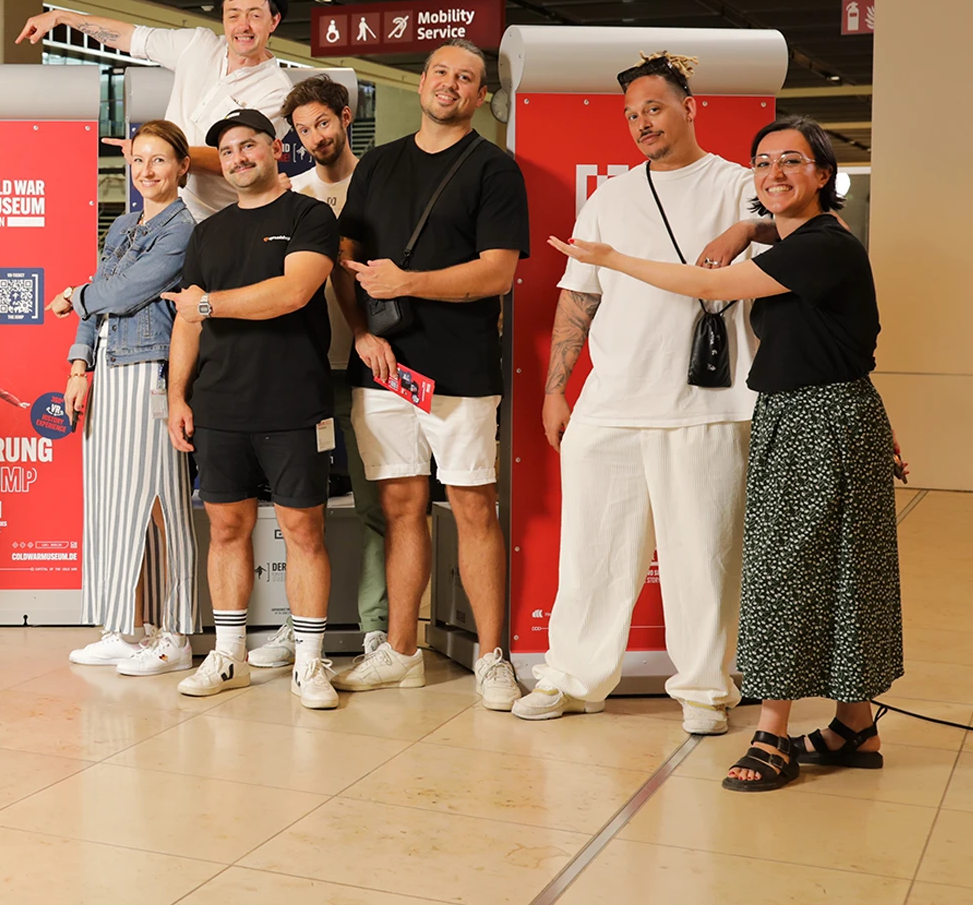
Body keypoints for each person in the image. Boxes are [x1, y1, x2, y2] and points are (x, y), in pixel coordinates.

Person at [550, 117, 900, 793]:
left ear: (824, 174)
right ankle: (855, 726)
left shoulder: (823, 245)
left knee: (781, 576)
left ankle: (771, 733)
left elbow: (712, 288)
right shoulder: (804, 240)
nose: (773, 174)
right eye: (762, 162)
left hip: (817, 420)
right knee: (840, 572)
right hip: (814, 414)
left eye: (792, 161)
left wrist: (612, 259)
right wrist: (746, 227)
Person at [516, 53, 757, 736]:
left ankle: (706, 689)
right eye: (630, 115)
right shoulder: (610, 198)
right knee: (591, 551)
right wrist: (557, 390)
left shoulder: (739, 186)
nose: (642, 123)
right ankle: (573, 677)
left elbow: (796, 227)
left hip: (707, 404)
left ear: (690, 107)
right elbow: (578, 297)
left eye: (654, 108)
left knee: (704, 556)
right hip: (611, 401)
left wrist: (743, 227)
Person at [330, 39, 528, 712]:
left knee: (473, 507)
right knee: (400, 508)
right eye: (440, 71)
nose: (449, 83)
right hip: (383, 368)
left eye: (465, 77)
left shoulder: (494, 168)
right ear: (421, 83)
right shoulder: (378, 163)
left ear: (480, 96)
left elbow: (497, 272)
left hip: (461, 370)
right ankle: (401, 652)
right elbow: (346, 260)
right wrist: (360, 333)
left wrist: (408, 281)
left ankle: (493, 657)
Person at [163, 108, 342, 710]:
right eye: (228, 151)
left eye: (249, 145)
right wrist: (177, 395)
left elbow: (293, 292)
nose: (238, 158)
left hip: (293, 402)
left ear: (274, 149)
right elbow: (185, 324)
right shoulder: (207, 232)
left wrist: (208, 304)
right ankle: (230, 657)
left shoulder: (308, 216)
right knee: (226, 530)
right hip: (218, 404)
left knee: (304, 532)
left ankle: (309, 663)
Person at [249, 75, 392, 670]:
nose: (315, 138)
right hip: (304, 369)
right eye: (303, 131)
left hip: (372, 365)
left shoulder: (380, 184)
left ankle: (378, 629)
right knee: (300, 509)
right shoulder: (293, 194)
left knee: (375, 505)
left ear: (346, 117)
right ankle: (299, 625)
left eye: (323, 124)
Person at [52, 119, 199, 676]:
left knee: (160, 502)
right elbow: (100, 294)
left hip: (151, 370)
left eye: (159, 159)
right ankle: (124, 625)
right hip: (108, 371)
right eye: (138, 160)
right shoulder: (121, 224)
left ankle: (176, 634)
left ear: (182, 167)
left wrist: (77, 296)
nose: (146, 170)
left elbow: (124, 291)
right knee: (112, 502)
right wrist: (78, 365)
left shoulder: (182, 228)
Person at [16, 0, 294, 220]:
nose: (243, 26)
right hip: (164, 210)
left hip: (220, 220)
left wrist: (156, 152)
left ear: (273, 21)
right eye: (233, 15)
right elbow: (131, 37)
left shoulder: (277, 90)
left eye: (255, 16)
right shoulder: (197, 44)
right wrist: (62, 17)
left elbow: (239, 161)